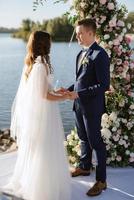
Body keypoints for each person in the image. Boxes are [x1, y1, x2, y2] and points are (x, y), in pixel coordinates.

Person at [2, 31, 75, 200]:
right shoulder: (40, 66)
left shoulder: (35, 63)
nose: (51, 44)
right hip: (45, 114)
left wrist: (58, 91)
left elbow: (43, 90)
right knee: (45, 147)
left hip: (42, 112)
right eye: (49, 41)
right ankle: (41, 187)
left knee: (42, 147)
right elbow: (44, 96)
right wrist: (65, 97)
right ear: (44, 44)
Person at [67, 18, 110, 196]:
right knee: (83, 138)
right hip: (79, 105)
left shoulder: (100, 55)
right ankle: (84, 167)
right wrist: (68, 90)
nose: (77, 36)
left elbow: (104, 85)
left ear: (91, 33)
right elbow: (80, 81)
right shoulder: (81, 54)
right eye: (77, 33)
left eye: (80, 33)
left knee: (96, 143)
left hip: (92, 107)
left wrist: (79, 94)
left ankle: (101, 181)